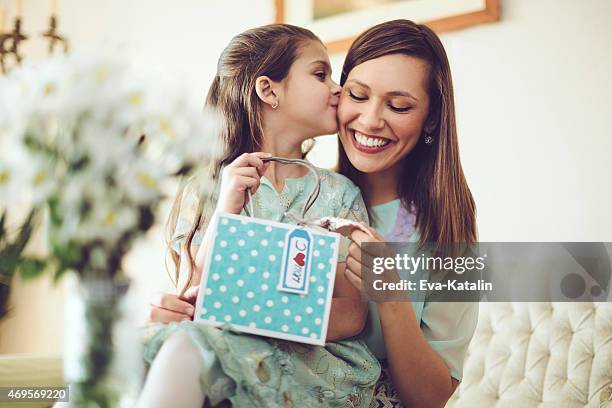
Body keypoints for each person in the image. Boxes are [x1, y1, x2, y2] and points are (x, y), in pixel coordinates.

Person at [137, 24, 381, 408]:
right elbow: (193, 299)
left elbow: (351, 313)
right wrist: (227, 210)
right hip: (217, 344)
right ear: (269, 90)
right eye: (321, 74)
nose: (337, 89)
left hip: (312, 364)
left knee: (189, 347)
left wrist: (257, 316)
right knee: (135, 350)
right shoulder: (207, 190)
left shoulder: (339, 194)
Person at [336, 20, 479, 407]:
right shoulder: (302, 199)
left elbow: (432, 398)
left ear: (431, 118)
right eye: (358, 96)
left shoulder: (448, 232)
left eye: (398, 105)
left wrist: (392, 297)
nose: (369, 120)